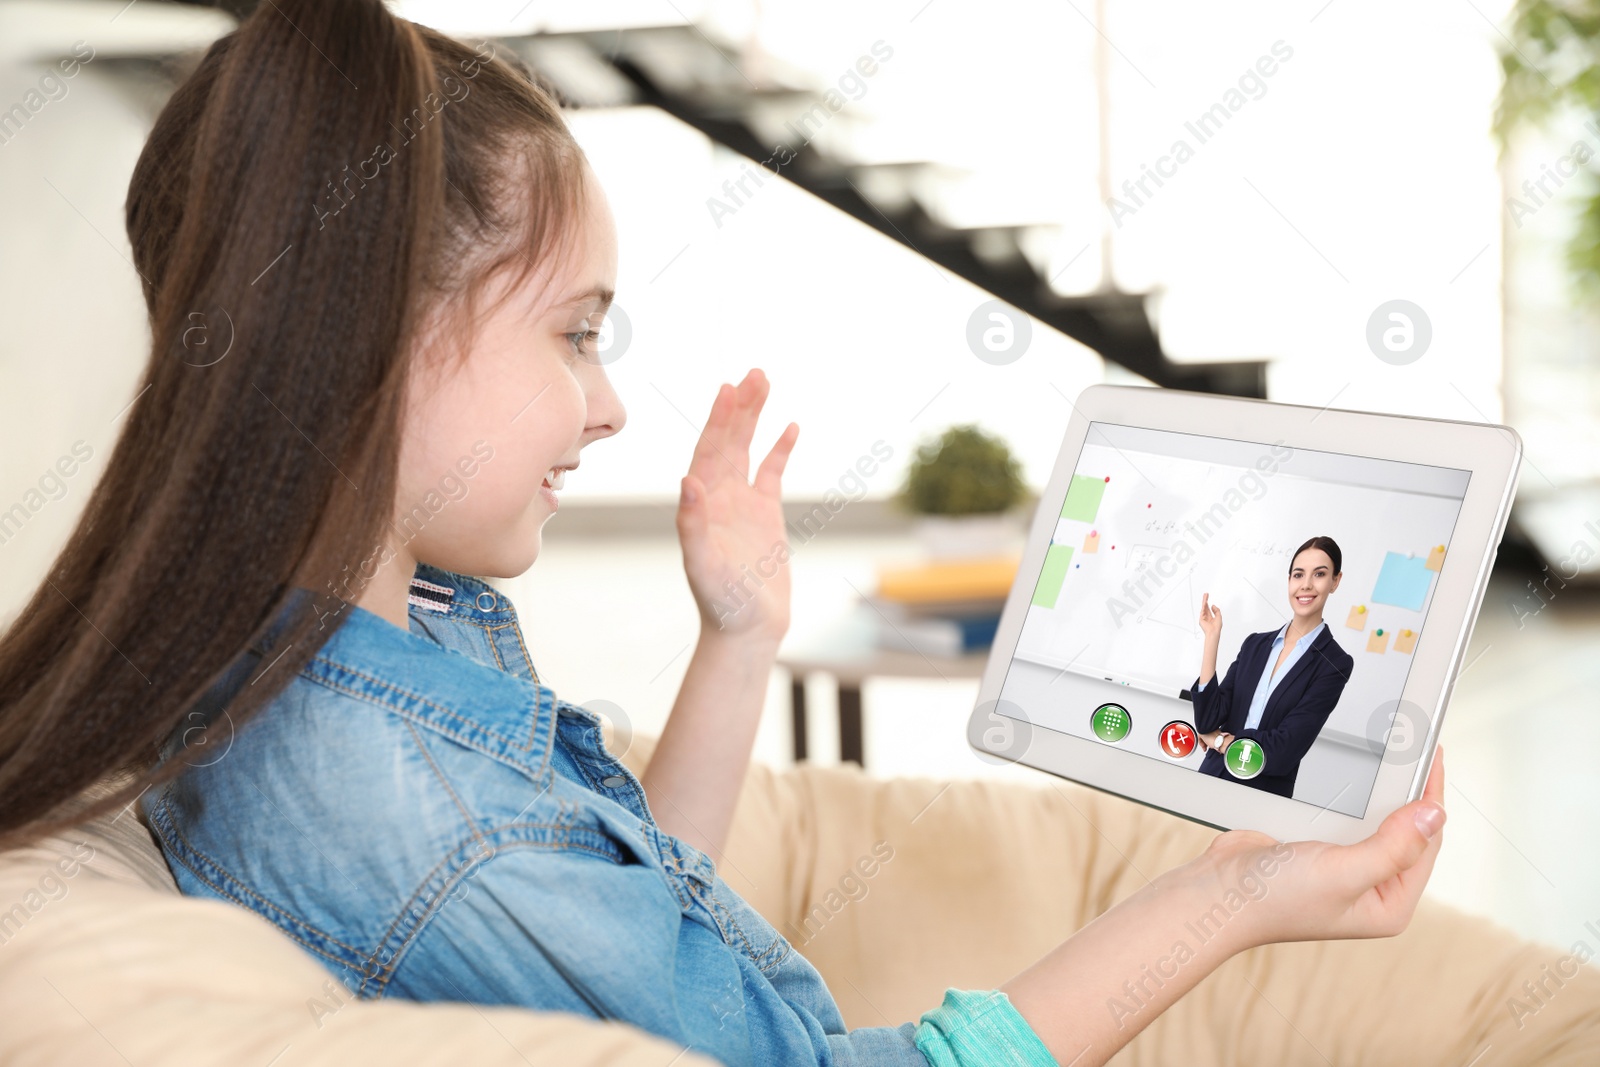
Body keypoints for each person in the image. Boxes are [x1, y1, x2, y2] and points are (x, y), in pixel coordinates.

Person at [0, 5, 1448, 1065]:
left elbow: (624, 936)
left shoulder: (342, 649)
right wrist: (1229, 894)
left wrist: (739, 633)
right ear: (379, 330)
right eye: (575, 334)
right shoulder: (411, 810)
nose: (611, 399)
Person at [1191, 537, 1355, 798]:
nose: (1306, 585)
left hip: (1263, 798)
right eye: (1298, 575)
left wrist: (1220, 740)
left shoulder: (1334, 663)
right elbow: (1207, 720)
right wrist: (1212, 639)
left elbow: (1282, 752)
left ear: (1335, 581)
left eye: (1320, 574)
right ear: (1289, 580)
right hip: (1210, 779)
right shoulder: (1255, 645)